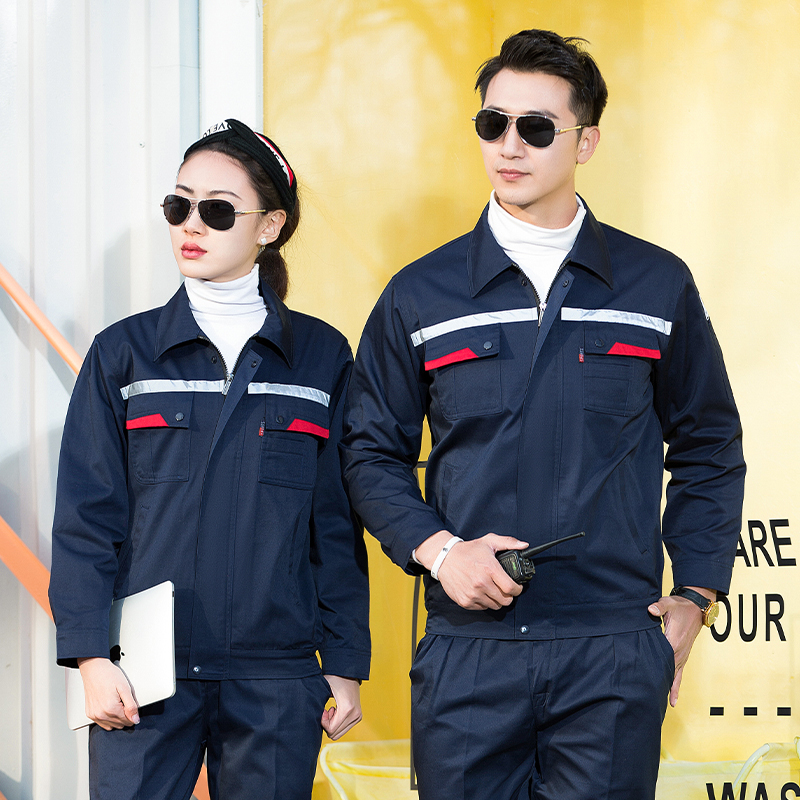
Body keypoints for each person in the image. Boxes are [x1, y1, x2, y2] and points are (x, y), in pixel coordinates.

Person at [342, 29, 744, 800]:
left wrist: (696, 593)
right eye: (492, 123)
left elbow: (709, 446)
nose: (509, 145)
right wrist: (441, 552)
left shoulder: (655, 285)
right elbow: (367, 452)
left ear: (586, 141)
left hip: (611, 651)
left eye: (536, 127)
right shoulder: (420, 295)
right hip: (469, 651)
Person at [49, 118, 370, 800]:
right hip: (142, 671)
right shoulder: (124, 354)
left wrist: (344, 662)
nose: (191, 225)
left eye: (218, 210)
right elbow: (87, 517)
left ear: (269, 226)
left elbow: (334, 525)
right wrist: (90, 656)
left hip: (276, 674)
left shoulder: (320, 357)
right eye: (179, 205)